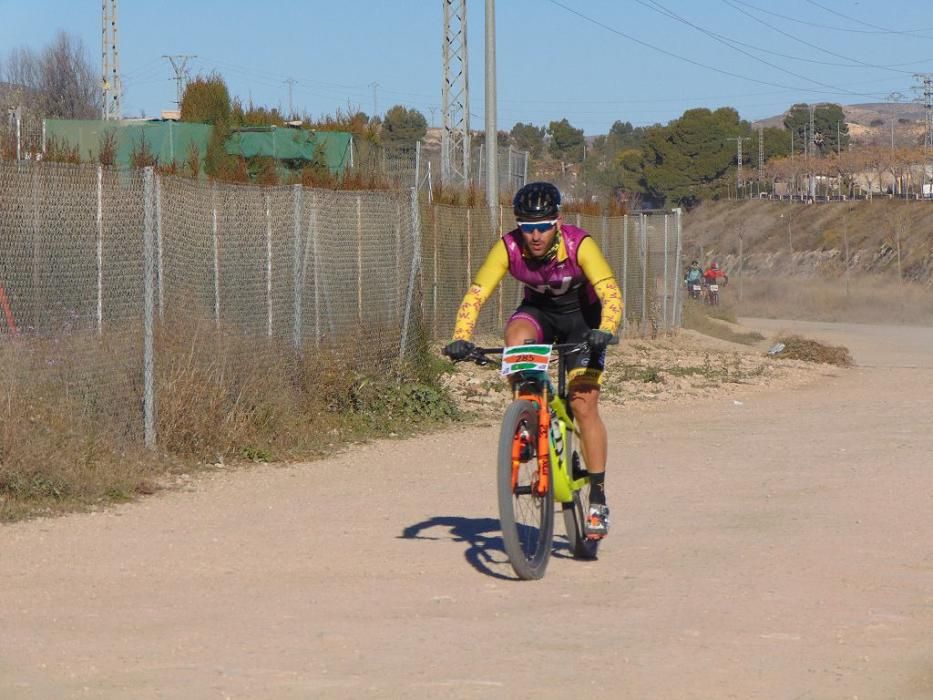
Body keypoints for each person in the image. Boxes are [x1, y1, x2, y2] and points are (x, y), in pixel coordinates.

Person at [443, 182, 623, 538]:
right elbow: (477, 294)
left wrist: (606, 327)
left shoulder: (579, 244)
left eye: (542, 226)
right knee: (515, 339)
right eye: (527, 227)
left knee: (583, 404)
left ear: (558, 222)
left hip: (582, 322)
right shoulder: (508, 248)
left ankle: (598, 496)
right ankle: (526, 415)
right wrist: (461, 336)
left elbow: (610, 292)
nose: (535, 235)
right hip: (538, 315)